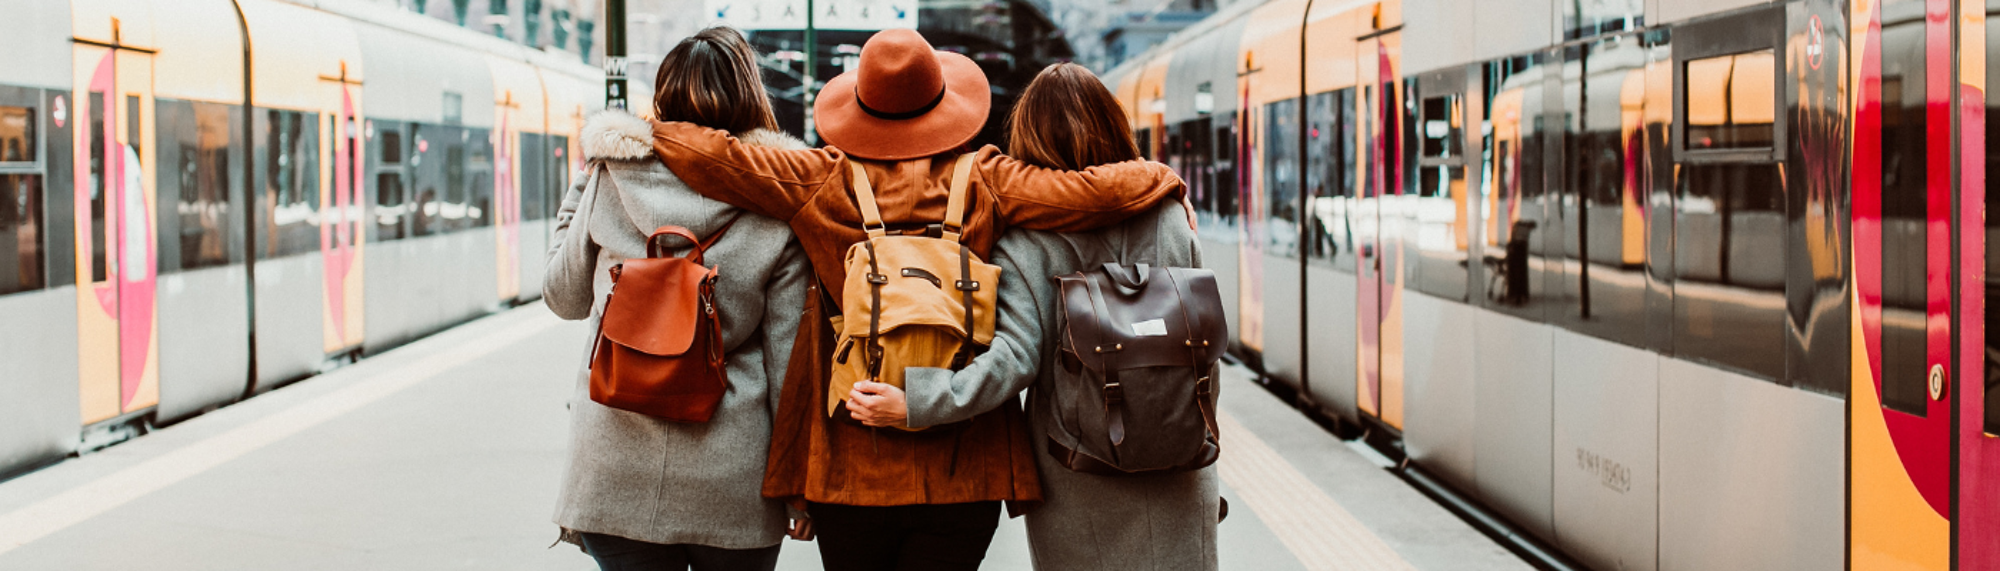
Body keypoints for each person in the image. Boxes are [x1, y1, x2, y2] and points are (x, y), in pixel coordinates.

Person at [641, 29, 1188, 571]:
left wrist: (643, 130)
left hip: (852, 460)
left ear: (860, 106)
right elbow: (1092, 192)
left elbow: (707, 154)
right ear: (944, 102)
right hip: (965, 465)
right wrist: (1160, 178)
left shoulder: (816, 178)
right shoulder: (987, 179)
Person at [894, 62, 1221, 571]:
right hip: (1180, 460)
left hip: (1080, 473)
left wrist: (920, 400)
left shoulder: (1026, 240)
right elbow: (1202, 339)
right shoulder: (1172, 214)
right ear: (1115, 124)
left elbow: (1014, 361)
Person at [542, 26, 812, 571]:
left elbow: (563, 296)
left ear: (662, 96)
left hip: (614, 468)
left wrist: (582, 191)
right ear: (751, 97)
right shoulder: (777, 196)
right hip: (732, 476)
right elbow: (789, 365)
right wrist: (797, 485)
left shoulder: (611, 173)